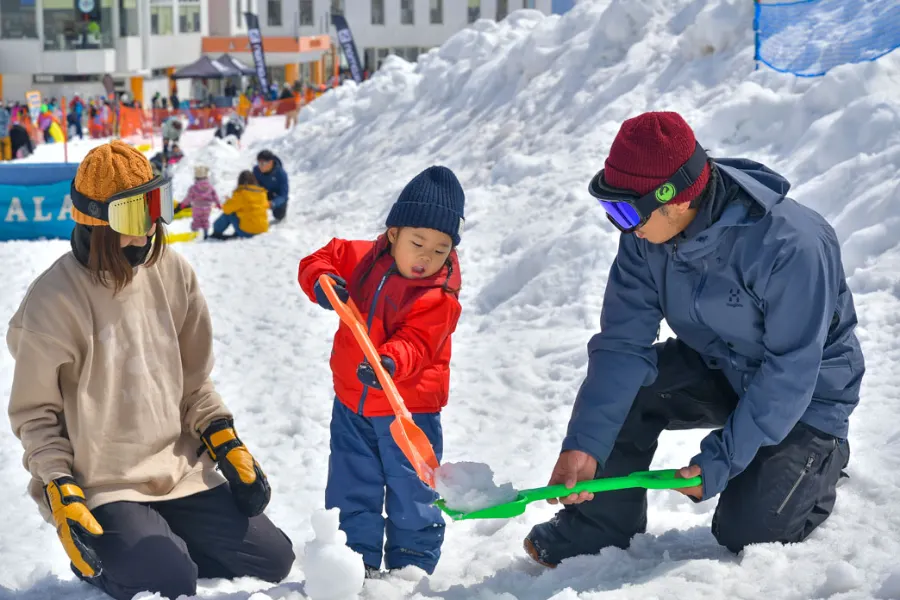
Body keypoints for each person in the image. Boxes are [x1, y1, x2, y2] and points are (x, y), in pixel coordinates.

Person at [524, 111, 863, 567]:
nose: (622, 225)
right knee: (632, 390)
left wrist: (721, 460)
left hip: (806, 395)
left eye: (624, 211)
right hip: (721, 363)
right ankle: (599, 528)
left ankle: (820, 462)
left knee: (746, 533)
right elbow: (623, 345)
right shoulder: (646, 236)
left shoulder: (792, 244)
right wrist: (585, 443)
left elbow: (790, 371)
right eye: (611, 210)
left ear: (676, 200)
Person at [6, 141, 294, 600]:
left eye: (153, 208)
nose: (146, 234)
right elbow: (35, 417)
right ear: (94, 222)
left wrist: (222, 436)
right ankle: (119, 551)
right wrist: (60, 487)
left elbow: (194, 382)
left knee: (274, 560)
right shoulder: (52, 302)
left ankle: (155, 536)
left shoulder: (172, 272)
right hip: (106, 483)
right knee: (168, 580)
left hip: (178, 471)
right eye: (131, 218)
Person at [297, 165, 465, 578]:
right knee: (352, 483)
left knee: (412, 492)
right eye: (417, 242)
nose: (427, 256)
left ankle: (411, 569)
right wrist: (321, 280)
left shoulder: (440, 295)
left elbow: (419, 342)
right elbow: (318, 259)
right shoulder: (360, 259)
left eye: (441, 249)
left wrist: (389, 362)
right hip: (352, 403)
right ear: (394, 235)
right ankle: (356, 563)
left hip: (408, 411)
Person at [210, 170, 269, 240]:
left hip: (248, 233)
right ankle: (240, 231)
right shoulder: (262, 193)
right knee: (247, 213)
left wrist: (229, 201)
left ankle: (216, 233)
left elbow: (226, 209)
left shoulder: (241, 193)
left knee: (230, 213)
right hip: (262, 230)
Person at [178, 165, 221, 238]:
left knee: (196, 220)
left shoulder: (193, 188)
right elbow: (215, 196)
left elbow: (188, 198)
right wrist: (218, 204)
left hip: (197, 207)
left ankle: (194, 234)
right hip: (207, 208)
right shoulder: (210, 187)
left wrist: (183, 204)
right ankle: (206, 233)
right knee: (205, 220)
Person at [253, 149, 289, 223]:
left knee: (279, 216)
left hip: (277, 196)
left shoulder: (281, 174)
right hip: (263, 192)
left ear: (270, 163)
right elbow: (251, 185)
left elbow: (283, 195)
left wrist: (273, 203)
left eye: (263, 163)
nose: (260, 166)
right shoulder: (256, 170)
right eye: (259, 163)